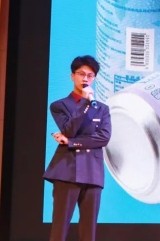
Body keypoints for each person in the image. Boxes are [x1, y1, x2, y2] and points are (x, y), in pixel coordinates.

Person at [43, 55, 111, 241]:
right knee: (60, 227)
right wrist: (85, 104)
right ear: (72, 76)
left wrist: (72, 142)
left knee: (89, 230)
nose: (85, 78)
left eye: (90, 75)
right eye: (81, 74)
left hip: (93, 172)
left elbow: (103, 138)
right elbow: (69, 130)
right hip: (67, 170)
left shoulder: (103, 109)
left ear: (94, 78)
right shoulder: (59, 105)